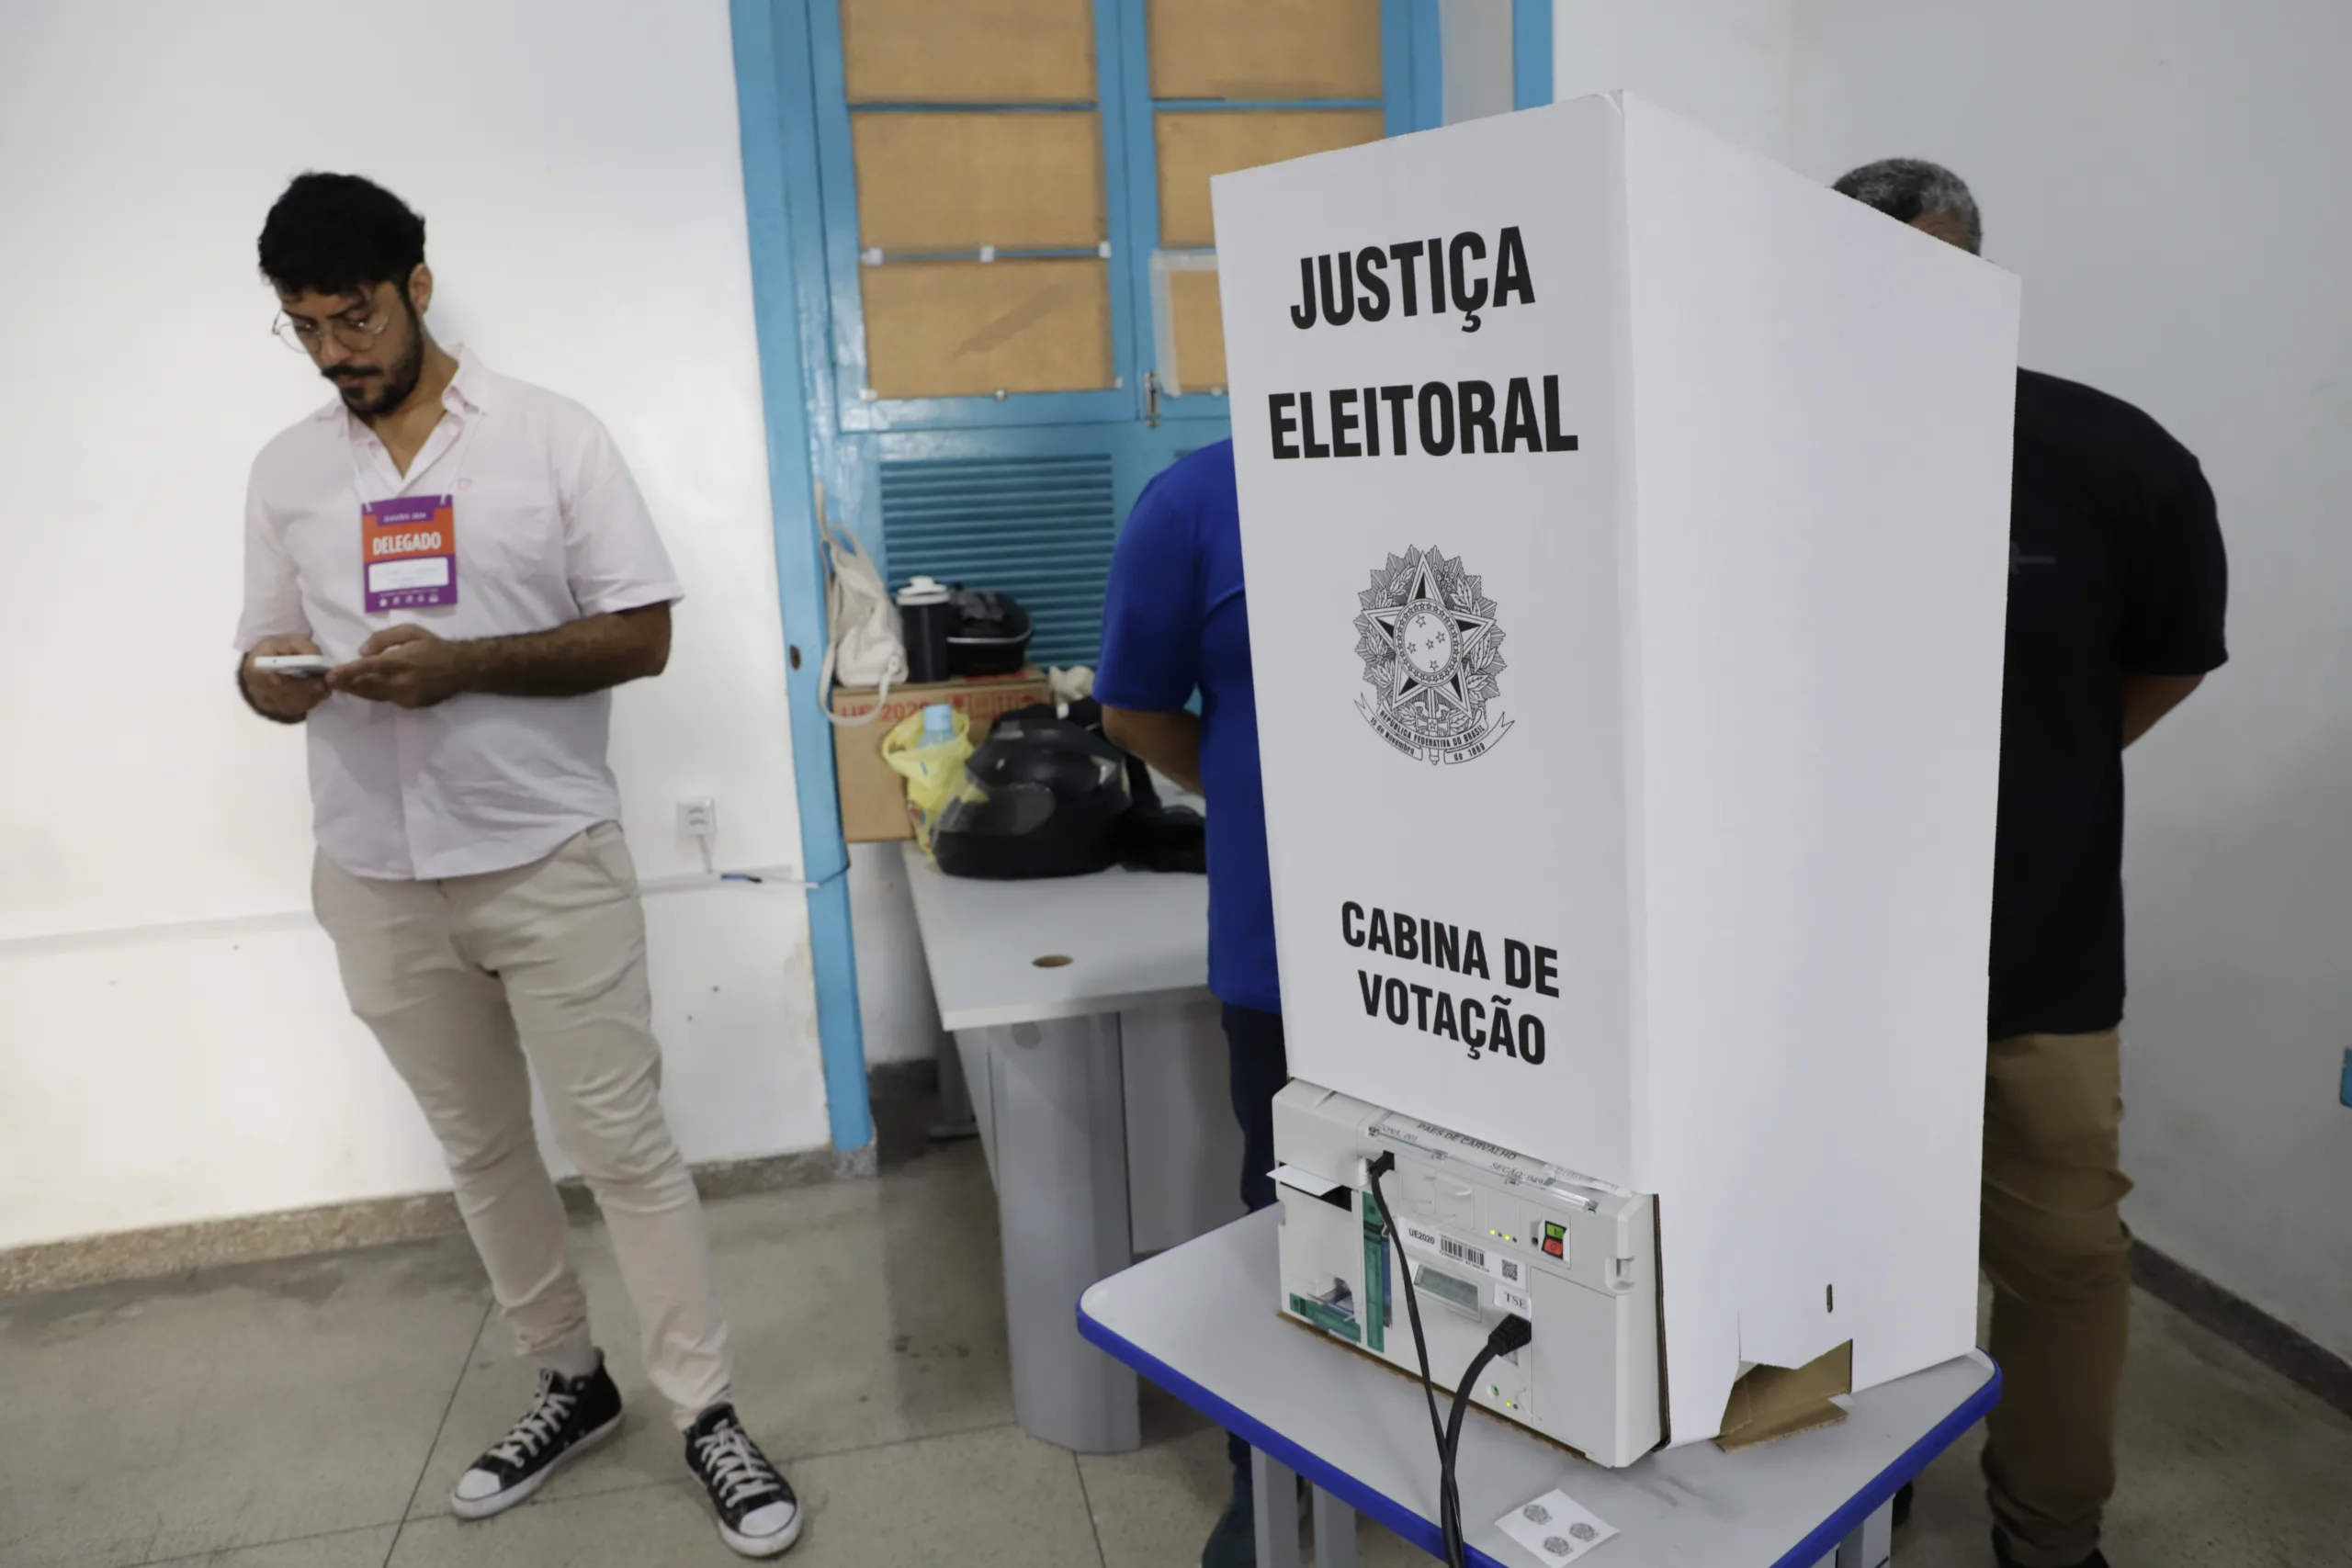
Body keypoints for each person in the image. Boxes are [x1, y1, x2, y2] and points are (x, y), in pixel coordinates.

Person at [233, 173, 800, 1558]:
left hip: (544, 857)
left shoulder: (554, 440)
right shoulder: (288, 469)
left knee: (624, 1147)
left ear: (417, 286)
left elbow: (641, 632)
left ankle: (707, 1408)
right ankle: (571, 1378)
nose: (334, 351)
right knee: (483, 1149)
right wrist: (281, 684)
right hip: (372, 868)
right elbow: (254, 656)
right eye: (303, 327)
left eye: (352, 315)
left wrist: (466, 667)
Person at [1833, 159, 2230, 1568]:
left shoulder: (2115, 461)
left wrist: (2025, 780)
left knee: (2063, 1260)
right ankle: (1841, 1513)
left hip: (2038, 962)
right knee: (1829, 1250)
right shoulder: (1757, 443)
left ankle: (2048, 1536)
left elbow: (2169, 661)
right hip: (1819, 968)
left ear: (1981, 279)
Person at [1096, 441, 1285, 1568]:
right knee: (1288, 1210)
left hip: (1487, 941)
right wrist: (1275, 805)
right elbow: (1136, 711)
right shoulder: (1194, 502)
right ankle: (1268, 1479)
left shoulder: (1481, 453)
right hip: (1288, 947)